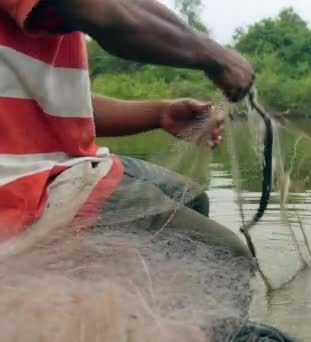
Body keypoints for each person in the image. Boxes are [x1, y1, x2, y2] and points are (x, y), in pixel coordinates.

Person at [0, 0, 295, 340]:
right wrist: (212, 53)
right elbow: (106, 12)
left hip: (68, 166)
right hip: (25, 186)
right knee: (224, 257)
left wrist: (157, 113)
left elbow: (56, 102)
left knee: (191, 198)